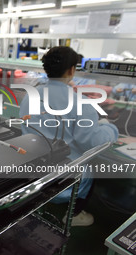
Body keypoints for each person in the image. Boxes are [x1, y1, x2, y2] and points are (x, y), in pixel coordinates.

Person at [19, 46, 119, 226]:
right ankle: (74, 214)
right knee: (90, 169)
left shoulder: (30, 96)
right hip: (64, 177)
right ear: (72, 70)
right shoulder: (81, 103)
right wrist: (109, 128)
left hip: (32, 171)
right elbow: (93, 142)